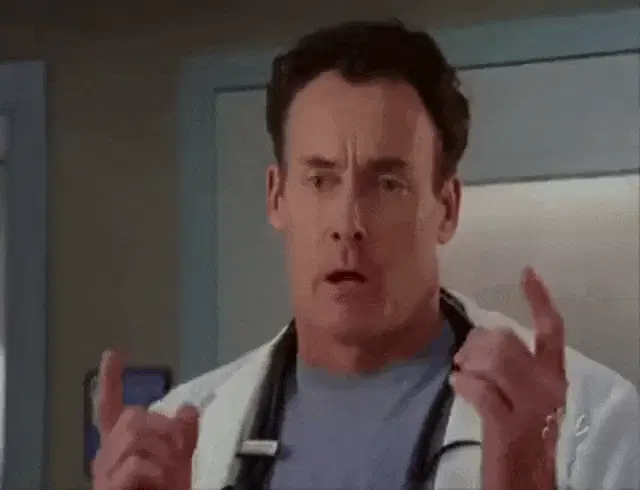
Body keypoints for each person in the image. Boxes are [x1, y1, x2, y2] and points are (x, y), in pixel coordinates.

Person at [92, 20, 640, 490]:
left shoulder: (588, 421)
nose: (348, 224)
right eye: (320, 180)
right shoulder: (181, 432)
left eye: (388, 183)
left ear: (447, 209)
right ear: (277, 198)